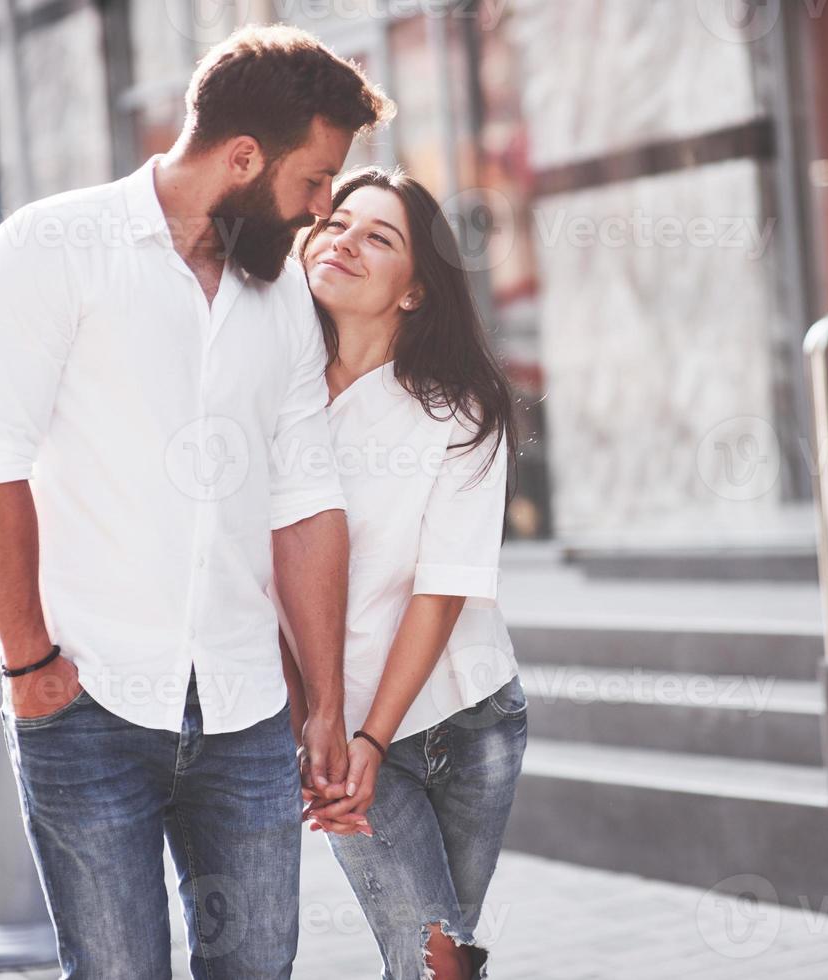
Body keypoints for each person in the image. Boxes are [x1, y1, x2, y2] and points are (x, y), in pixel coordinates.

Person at [0, 26, 392, 979]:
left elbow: (308, 501)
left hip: (245, 713)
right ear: (242, 158)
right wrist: (28, 663)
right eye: (314, 182)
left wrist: (320, 702)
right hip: (87, 702)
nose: (323, 211)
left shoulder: (277, 301)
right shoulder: (47, 248)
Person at [279, 167, 527, 980]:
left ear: (416, 291)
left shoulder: (461, 409)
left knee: (433, 955)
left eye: (377, 237)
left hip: (466, 716)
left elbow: (443, 589)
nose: (344, 242)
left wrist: (372, 736)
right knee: (435, 959)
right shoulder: (267, 398)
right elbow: (261, 584)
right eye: (336, 223)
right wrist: (318, 728)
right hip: (341, 734)